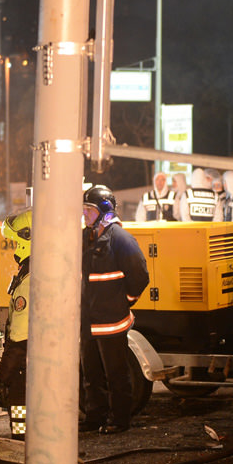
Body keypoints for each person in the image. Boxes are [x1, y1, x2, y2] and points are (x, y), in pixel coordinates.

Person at [80, 185, 150, 434]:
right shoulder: (87, 237)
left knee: (116, 375)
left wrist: (125, 301)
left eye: (89, 210)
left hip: (111, 322)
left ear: (104, 211)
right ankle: (94, 417)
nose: (85, 215)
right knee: (91, 375)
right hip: (89, 322)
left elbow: (140, 275)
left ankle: (120, 420)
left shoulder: (120, 239)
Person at [0, 208, 32, 439]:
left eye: (16, 242)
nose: (14, 248)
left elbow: (19, 336)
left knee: (21, 420)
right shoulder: (45, 269)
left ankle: (21, 456)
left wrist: (3, 375)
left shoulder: (28, 280)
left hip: (25, 368)